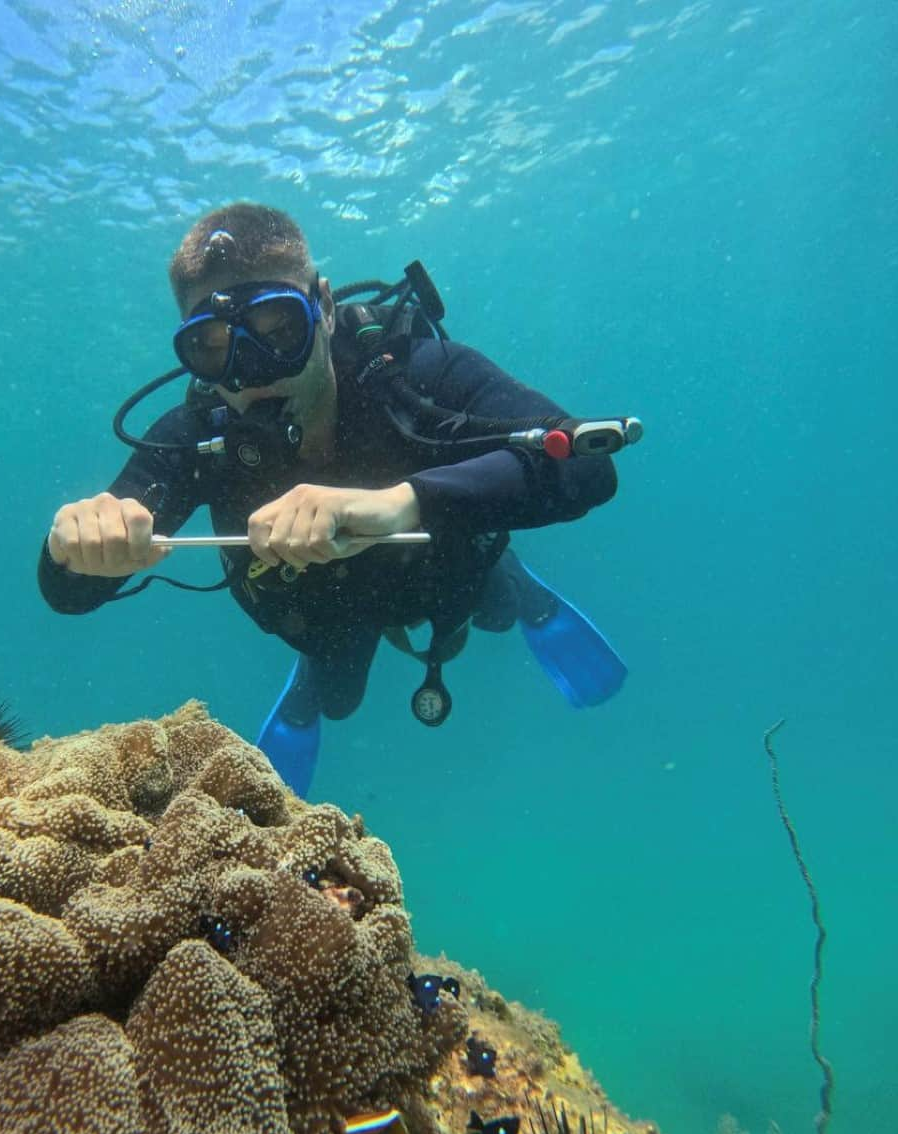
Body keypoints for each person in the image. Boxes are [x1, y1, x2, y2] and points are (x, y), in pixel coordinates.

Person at [39, 203, 629, 797]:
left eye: (279, 330)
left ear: (322, 307)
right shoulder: (197, 432)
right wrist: (75, 544)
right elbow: (67, 591)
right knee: (339, 696)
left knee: (493, 611)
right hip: (324, 615)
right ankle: (309, 687)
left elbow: (588, 461)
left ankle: (521, 587)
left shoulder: (413, 374)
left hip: (445, 569)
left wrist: (400, 502)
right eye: (215, 348)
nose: (253, 373)